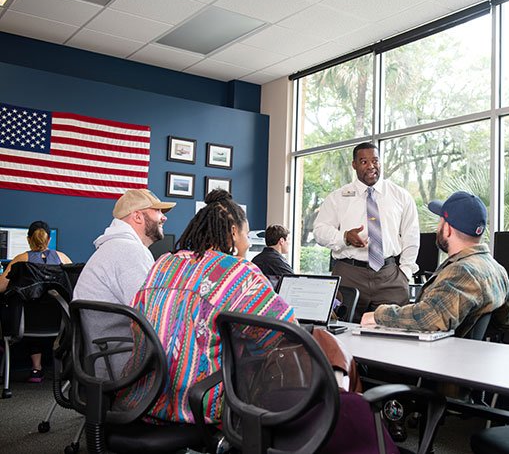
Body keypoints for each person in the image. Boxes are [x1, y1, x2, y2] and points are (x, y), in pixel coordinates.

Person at [117, 190, 297, 425]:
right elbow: (286, 330)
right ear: (234, 232)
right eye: (247, 233)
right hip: (196, 407)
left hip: (139, 397)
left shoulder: (163, 263)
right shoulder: (239, 272)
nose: (250, 242)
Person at [361, 191, 509, 338]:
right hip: (461, 358)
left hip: (439, 359)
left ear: (447, 229)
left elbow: (430, 317)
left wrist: (378, 315)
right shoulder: (497, 269)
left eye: (440, 222)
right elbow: (507, 322)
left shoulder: (461, 271)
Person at [72, 188, 175, 377]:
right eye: (158, 211)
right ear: (137, 216)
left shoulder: (115, 248)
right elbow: (155, 316)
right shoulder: (129, 251)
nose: (164, 218)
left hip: (105, 356)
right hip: (122, 361)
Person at [313, 142, 420, 322]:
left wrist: (405, 272)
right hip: (349, 275)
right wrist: (344, 237)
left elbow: (412, 236)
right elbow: (319, 231)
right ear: (354, 165)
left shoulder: (401, 196)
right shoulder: (337, 198)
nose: (371, 166)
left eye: (375, 161)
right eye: (363, 161)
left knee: (393, 335)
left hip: (390, 277)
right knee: (343, 331)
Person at [0, 220, 71, 382]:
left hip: (25, 324)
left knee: (29, 307)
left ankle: (35, 368)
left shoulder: (20, 260)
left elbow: (1, 287)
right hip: (58, 324)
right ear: (49, 240)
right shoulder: (64, 259)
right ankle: (45, 369)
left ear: (28, 239)